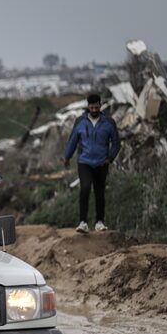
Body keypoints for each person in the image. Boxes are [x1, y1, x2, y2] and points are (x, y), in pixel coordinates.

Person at [63, 93, 120, 233]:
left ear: (100, 106)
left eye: (96, 107)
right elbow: (73, 141)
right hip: (85, 162)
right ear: (88, 106)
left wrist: (110, 158)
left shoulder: (109, 122)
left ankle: (100, 222)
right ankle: (83, 222)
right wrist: (67, 157)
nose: (94, 110)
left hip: (102, 163)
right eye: (91, 107)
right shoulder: (80, 122)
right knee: (85, 188)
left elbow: (117, 143)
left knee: (100, 192)